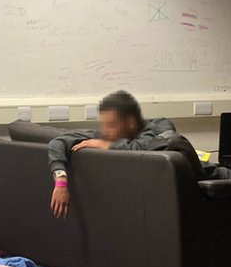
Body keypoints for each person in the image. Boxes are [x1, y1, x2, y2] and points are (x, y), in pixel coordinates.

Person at [47, 90, 176, 218]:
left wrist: (102, 144)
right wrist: (61, 182)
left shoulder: (160, 126)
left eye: (111, 125)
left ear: (130, 122)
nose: (105, 131)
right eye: (104, 124)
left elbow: (140, 148)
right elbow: (58, 142)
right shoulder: (110, 136)